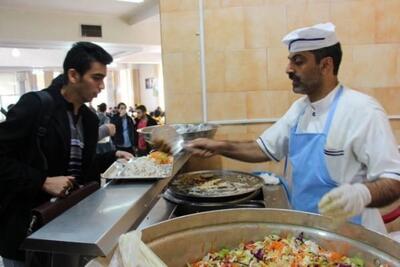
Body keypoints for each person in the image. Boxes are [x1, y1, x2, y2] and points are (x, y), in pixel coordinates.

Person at [186, 23, 400, 234]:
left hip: (354, 236)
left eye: (298, 62)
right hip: (308, 232)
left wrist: (361, 194)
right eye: (290, 61)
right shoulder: (299, 110)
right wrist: (218, 146)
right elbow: (262, 148)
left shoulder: (362, 110)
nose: (288, 69)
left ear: (326, 65)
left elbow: (394, 181)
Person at [0, 42, 132, 267]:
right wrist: (41, 181)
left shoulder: (89, 120)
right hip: (26, 234)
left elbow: (81, 169)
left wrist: (112, 156)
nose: (101, 86)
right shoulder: (37, 106)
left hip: (68, 231)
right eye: (96, 78)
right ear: (73, 74)